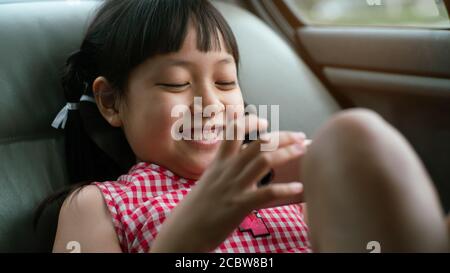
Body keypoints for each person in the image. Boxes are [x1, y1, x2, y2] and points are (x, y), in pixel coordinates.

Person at [43, 0, 448, 253]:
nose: (210, 103)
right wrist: (192, 231)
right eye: (176, 83)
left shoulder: (280, 176)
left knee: (355, 135)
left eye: (225, 82)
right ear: (113, 102)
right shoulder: (101, 204)